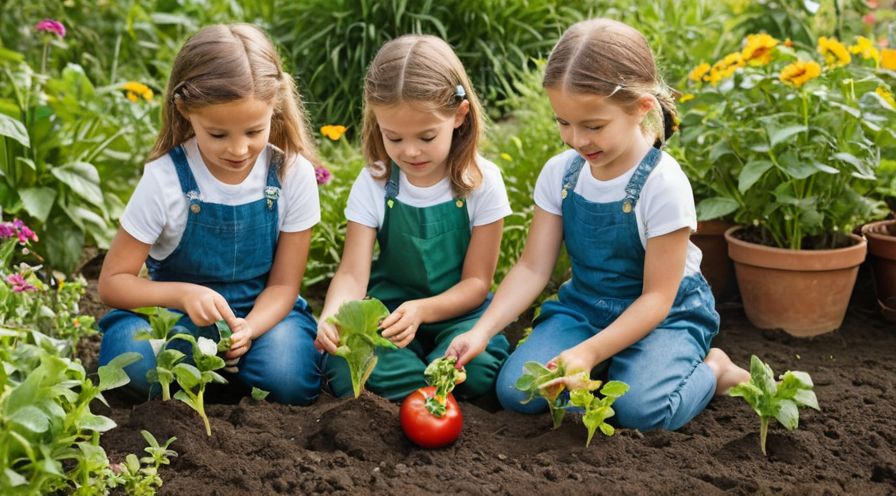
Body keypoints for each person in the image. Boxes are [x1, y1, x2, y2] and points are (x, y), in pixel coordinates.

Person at [445, 18, 750, 431]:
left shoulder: (662, 185)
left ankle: (713, 371)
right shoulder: (561, 174)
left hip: (665, 313)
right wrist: (481, 331)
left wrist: (587, 353)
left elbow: (657, 299)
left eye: (594, 126)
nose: (576, 139)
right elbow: (533, 268)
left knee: (643, 412)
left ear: (642, 107)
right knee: (519, 391)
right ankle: (608, 364)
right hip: (587, 306)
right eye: (563, 122)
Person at [97, 23, 323, 405]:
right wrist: (184, 295)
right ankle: (221, 375)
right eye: (218, 134)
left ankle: (223, 372)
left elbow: (285, 285)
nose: (238, 149)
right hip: (176, 321)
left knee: (288, 377)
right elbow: (112, 283)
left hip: (262, 316)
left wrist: (249, 329)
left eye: (254, 131)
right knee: (128, 362)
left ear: (275, 107)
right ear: (186, 111)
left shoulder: (291, 173)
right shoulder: (165, 179)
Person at [314, 35, 511, 401]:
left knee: (480, 368)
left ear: (459, 115)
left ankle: (418, 392)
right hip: (387, 317)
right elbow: (353, 273)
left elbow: (476, 284)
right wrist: (332, 316)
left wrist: (423, 310)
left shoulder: (481, 182)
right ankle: (435, 395)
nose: (410, 151)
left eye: (426, 136)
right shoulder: (374, 181)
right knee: (348, 366)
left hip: (458, 315)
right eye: (394, 137)